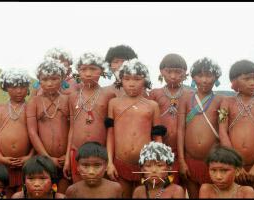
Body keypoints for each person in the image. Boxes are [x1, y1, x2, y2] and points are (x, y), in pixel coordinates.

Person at [106, 58, 167, 198]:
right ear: (120, 79)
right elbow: (110, 135)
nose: (131, 84)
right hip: (120, 162)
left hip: (145, 164)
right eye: (127, 79)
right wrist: (110, 163)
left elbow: (157, 137)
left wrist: (159, 164)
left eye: (137, 79)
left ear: (145, 80)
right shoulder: (114, 103)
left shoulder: (152, 106)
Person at [218, 59, 254, 198]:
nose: (252, 82)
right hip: (232, 166)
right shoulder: (227, 102)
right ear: (234, 82)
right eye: (247, 78)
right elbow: (222, 132)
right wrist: (235, 164)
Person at [63, 52, 115, 183]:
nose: (88, 73)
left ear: (102, 71)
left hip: (100, 153)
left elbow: (111, 130)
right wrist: (68, 159)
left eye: (93, 69)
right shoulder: (73, 96)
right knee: (79, 189)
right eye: (83, 69)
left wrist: (109, 159)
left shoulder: (108, 95)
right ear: (78, 72)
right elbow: (72, 128)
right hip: (76, 151)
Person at [177, 57, 223, 198]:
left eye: (209, 76)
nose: (204, 80)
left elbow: (224, 132)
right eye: (200, 75)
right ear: (193, 77)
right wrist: (182, 160)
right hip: (190, 161)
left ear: (216, 78)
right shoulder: (185, 98)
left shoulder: (221, 100)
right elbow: (181, 130)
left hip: (213, 162)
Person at [26, 58, 70, 193]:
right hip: (42, 158)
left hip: (65, 159)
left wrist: (68, 156)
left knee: (62, 192)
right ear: (39, 80)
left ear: (62, 78)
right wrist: (47, 158)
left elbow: (74, 128)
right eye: (45, 79)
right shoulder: (34, 102)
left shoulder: (68, 100)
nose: (49, 83)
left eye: (54, 79)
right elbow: (32, 132)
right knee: (43, 192)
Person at [0, 68, 34, 198]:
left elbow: (36, 134)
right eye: (13, 87)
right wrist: (0, 157)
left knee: (25, 192)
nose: (19, 91)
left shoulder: (31, 108)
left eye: (22, 86)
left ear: (27, 87)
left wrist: (30, 156)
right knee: (7, 192)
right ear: (5, 87)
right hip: (4, 163)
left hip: (26, 163)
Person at [149, 53, 191, 185]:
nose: (173, 76)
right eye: (169, 71)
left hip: (183, 151)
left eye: (178, 72)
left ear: (185, 73)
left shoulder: (190, 94)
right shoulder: (155, 93)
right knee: (160, 187)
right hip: (159, 148)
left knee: (179, 186)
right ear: (161, 72)